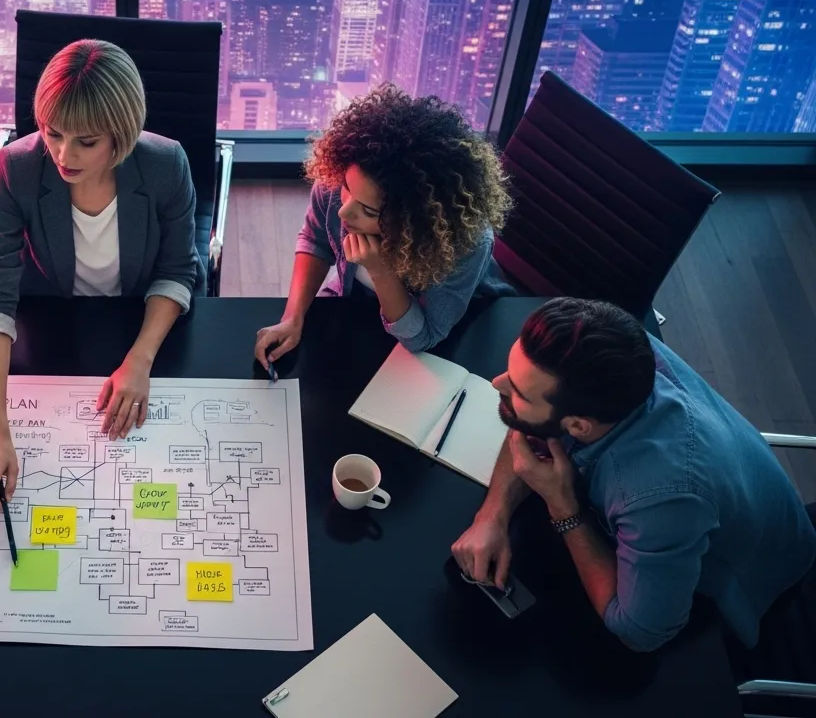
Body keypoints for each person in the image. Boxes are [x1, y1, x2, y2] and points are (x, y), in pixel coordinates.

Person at [451, 297, 816, 652]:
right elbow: (532, 430)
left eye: (517, 393)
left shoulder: (659, 499)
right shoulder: (611, 356)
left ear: (578, 426)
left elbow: (639, 632)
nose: (497, 383)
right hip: (738, 493)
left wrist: (563, 508)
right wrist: (492, 516)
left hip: (759, 583)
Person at [0, 39, 200, 511]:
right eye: (53, 133)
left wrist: (139, 359)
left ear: (123, 133)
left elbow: (179, 269)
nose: (62, 153)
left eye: (86, 141)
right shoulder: (15, 168)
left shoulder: (165, 164)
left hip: (137, 318)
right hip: (52, 322)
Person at [255, 86, 512, 367]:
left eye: (368, 210)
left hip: (454, 337)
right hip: (355, 307)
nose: (344, 211)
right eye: (346, 188)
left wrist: (381, 270)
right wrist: (293, 317)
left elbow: (424, 337)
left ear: (413, 220)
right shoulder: (340, 180)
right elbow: (315, 241)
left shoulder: (464, 243)